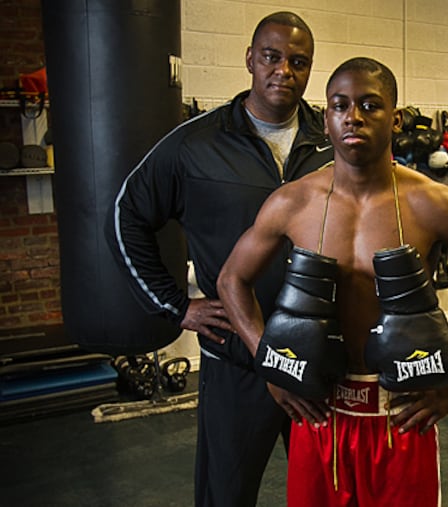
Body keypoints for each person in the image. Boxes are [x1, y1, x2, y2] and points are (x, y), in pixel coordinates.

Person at [217, 57, 448, 506]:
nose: (353, 116)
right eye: (340, 105)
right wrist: (272, 365)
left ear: (395, 119)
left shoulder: (434, 204)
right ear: (328, 116)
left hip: (401, 415)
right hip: (320, 410)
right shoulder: (293, 202)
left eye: (370, 105)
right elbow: (231, 280)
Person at [105, 12, 333, 506]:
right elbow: (126, 216)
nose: (284, 71)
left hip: (317, 358)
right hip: (236, 359)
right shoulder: (196, 144)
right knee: (225, 495)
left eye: (299, 62)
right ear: (250, 59)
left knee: (330, 493)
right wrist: (175, 306)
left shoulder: (332, 142)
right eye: (271, 57)